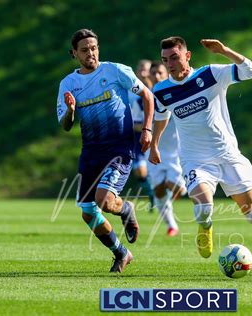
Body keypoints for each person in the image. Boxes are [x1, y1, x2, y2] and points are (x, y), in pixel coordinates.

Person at [149, 36, 252, 276]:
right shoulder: (162, 90)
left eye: (174, 57)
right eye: (165, 60)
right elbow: (161, 116)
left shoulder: (210, 75)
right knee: (203, 206)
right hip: (195, 160)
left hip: (228, 156)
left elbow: (251, 71)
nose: (170, 64)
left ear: (187, 55)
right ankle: (205, 228)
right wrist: (154, 144)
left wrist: (224, 51)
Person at [56, 29, 154, 273]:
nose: (91, 53)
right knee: (88, 213)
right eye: (84, 49)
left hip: (119, 148)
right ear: (74, 54)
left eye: (94, 47)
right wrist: (70, 110)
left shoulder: (115, 71)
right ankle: (121, 252)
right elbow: (66, 125)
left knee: (104, 201)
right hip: (90, 152)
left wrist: (147, 130)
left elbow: (148, 95)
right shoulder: (69, 84)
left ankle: (126, 208)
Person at [147, 60, 187, 236]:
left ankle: (181, 189)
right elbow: (135, 121)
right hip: (152, 150)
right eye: (153, 73)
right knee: (158, 189)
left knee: (176, 188)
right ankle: (172, 225)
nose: (156, 76)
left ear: (167, 74)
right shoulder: (144, 97)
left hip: (175, 152)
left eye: (160, 73)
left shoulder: (175, 92)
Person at [129, 60, 156, 210]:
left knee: (153, 170)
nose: (143, 72)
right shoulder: (130, 89)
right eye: (140, 68)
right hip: (134, 136)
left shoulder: (156, 90)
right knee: (139, 171)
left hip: (151, 135)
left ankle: (158, 196)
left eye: (146, 69)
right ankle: (152, 195)